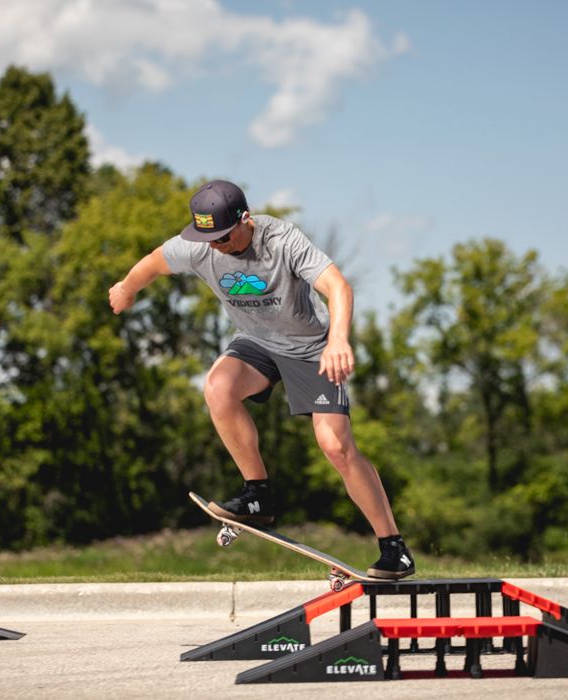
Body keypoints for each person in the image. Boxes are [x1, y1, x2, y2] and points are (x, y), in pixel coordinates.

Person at [108, 180, 415, 580]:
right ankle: (258, 495)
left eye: (223, 237)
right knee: (218, 389)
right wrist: (126, 288)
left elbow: (337, 286)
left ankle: (394, 548)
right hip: (256, 342)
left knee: (336, 447)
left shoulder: (282, 240)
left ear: (245, 220)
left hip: (310, 349)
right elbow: (152, 262)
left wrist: (338, 339)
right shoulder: (199, 246)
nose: (216, 246)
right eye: (209, 239)